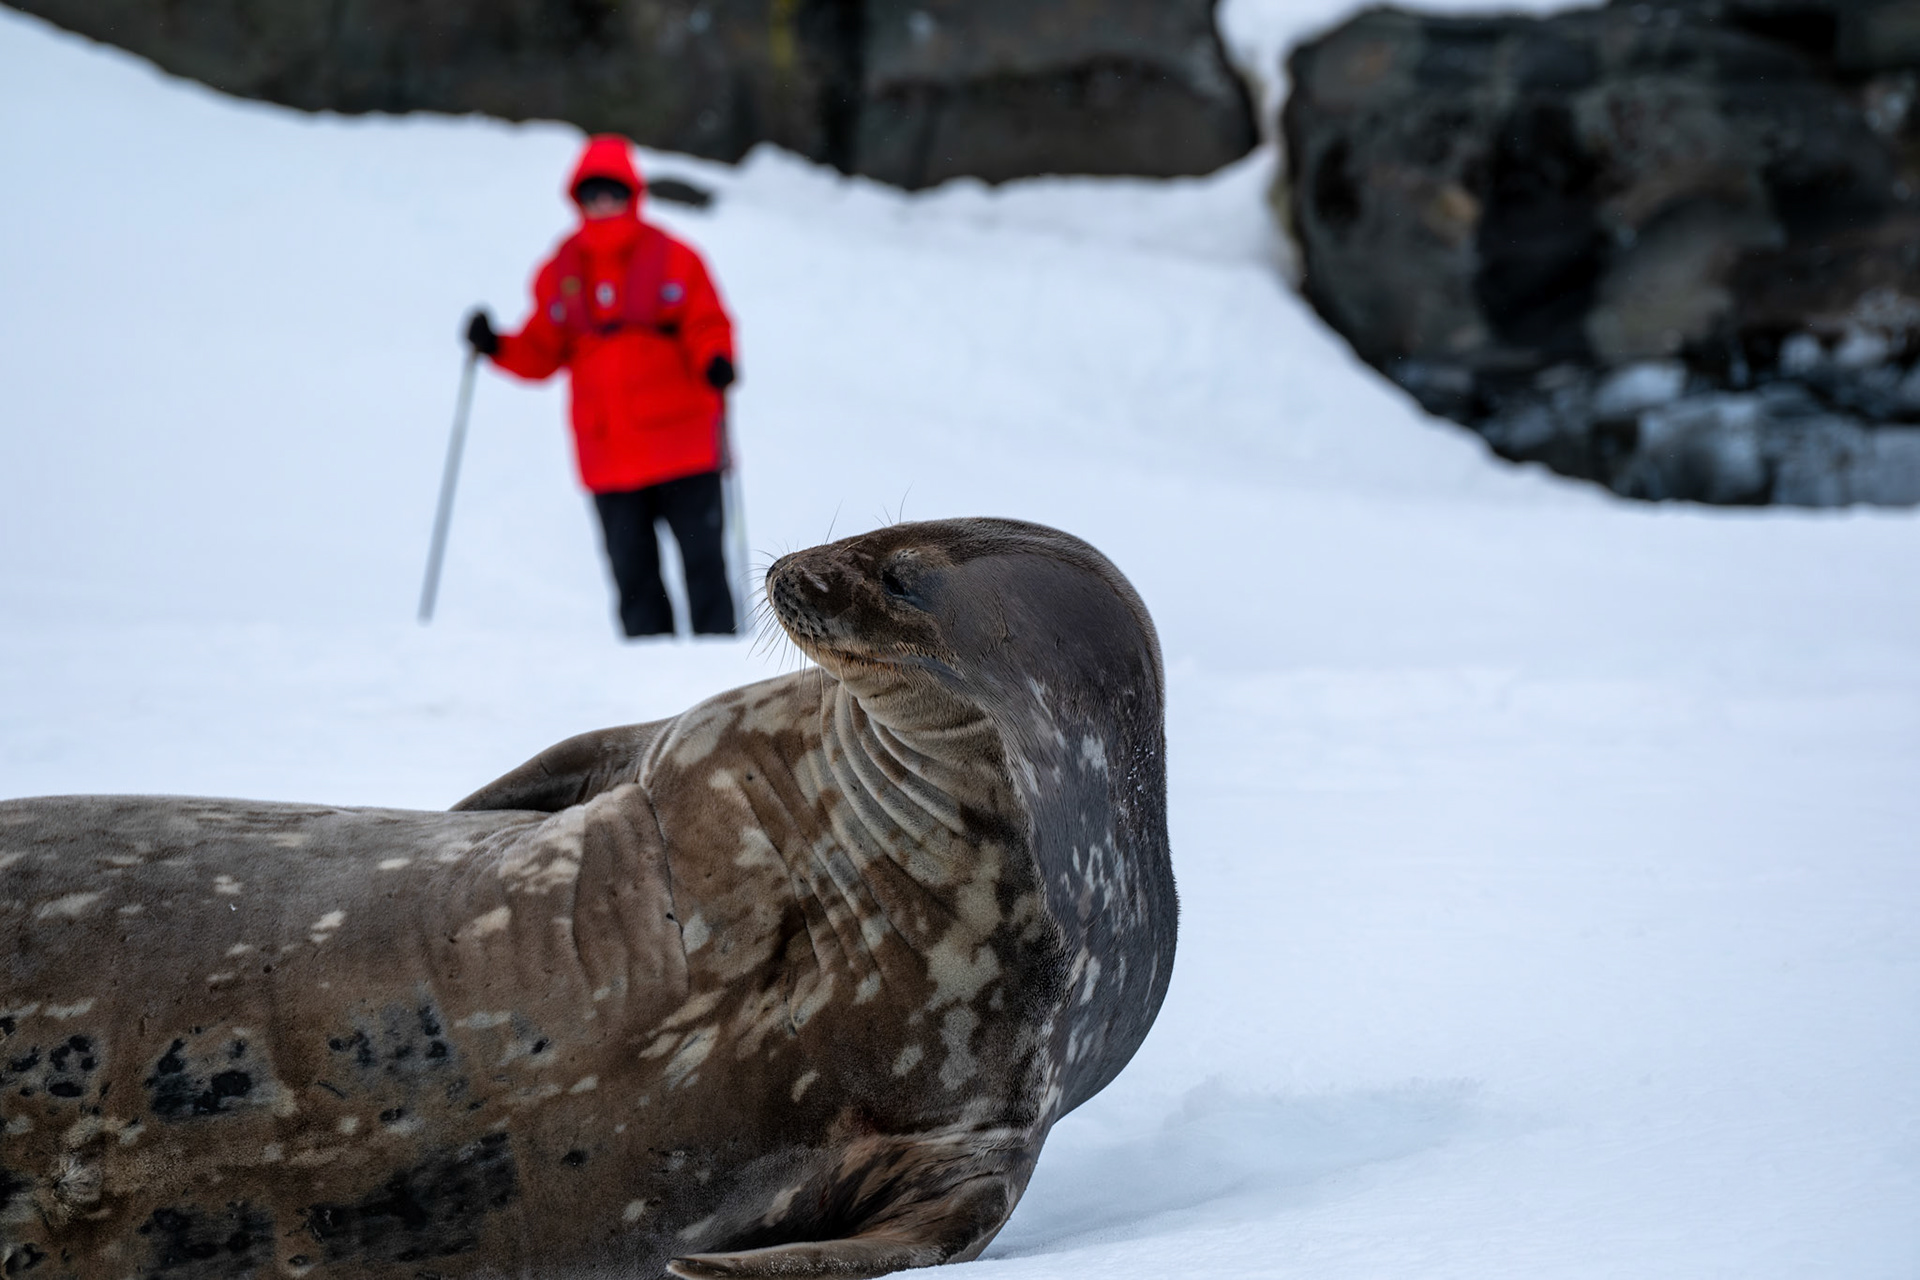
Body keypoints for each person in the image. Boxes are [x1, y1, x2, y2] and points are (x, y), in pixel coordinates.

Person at [467, 135, 739, 638]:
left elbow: (707, 322)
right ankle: (644, 683)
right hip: (608, 455)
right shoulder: (562, 270)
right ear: (578, 199)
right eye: (592, 194)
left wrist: (716, 359)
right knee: (634, 582)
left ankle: (720, 671)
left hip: (683, 447)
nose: (602, 204)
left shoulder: (675, 257)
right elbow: (540, 350)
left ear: (631, 193)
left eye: (611, 192)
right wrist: (495, 346)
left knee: (704, 570)